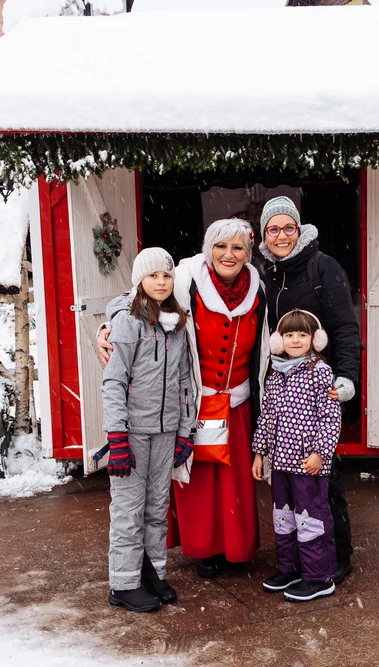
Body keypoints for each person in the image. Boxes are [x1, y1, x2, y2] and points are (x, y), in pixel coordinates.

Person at [99, 219, 269, 579]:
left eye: (238, 248)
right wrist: (108, 325)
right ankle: (204, 549)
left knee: (234, 479)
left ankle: (236, 549)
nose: (229, 254)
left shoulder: (258, 287)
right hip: (195, 395)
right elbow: (131, 297)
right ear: (208, 249)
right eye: (221, 246)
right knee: (200, 481)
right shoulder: (186, 276)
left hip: (238, 400)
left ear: (247, 254)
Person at [256, 195, 360, 585]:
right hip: (281, 388)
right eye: (273, 229)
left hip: (319, 390)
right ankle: (300, 560)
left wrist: (346, 376)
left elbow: (346, 328)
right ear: (264, 234)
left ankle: (336, 557)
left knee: (322, 481)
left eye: (288, 227)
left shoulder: (322, 267)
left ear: (298, 229)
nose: (281, 235)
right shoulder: (265, 272)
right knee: (290, 487)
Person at [101, 247, 195, 613]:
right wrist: (117, 437)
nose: (160, 281)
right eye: (153, 275)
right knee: (128, 510)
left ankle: (152, 573)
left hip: (167, 430)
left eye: (166, 275)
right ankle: (123, 584)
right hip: (133, 434)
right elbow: (114, 382)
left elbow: (185, 383)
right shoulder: (128, 323)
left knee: (158, 507)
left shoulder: (177, 325)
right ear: (139, 281)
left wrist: (185, 432)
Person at [252, 309, 342, 602]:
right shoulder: (276, 372)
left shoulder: (320, 372)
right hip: (280, 463)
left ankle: (318, 575)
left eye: (302, 335)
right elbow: (267, 416)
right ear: (279, 340)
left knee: (310, 519)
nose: (295, 340)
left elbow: (330, 418)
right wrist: (260, 452)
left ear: (315, 339)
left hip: (308, 465)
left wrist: (320, 453)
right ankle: (289, 568)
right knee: (284, 518)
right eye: (289, 335)